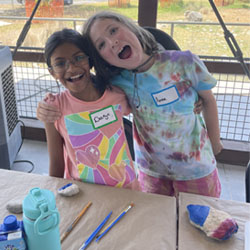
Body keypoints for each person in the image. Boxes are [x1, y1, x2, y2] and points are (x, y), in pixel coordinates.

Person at [38, 11, 223, 198]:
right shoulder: (118, 83)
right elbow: (85, 89)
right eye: (101, 44)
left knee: (201, 221)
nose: (112, 42)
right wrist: (46, 105)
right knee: (156, 223)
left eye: (113, 30)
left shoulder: (184, 63)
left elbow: (207, 99)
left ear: (130, 26)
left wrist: (215, 143)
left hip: (196, 168)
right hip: (152, 172)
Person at [41, 28, 140, 191]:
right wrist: (51, 197)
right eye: (60, 63)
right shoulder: (54, 108)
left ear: (90, 60)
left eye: (78, 58)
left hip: (126, 188)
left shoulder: (117, 94)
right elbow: (56, 164)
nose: (71, 68)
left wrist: (196, 97)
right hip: (81, 192)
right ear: (52, 72)